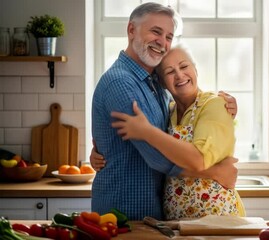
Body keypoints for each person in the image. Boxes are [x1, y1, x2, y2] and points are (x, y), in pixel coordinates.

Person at [91, 2, 238, 221]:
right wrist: (215, 172)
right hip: (124, 213)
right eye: (156, 32)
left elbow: (173, 128)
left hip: (154, 213)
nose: (162, 42)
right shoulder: (120, 83)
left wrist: (227, 105)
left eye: (169, 36)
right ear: (131, 30)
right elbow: (157, 154)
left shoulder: (157, 85)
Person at [110, 45, 245, 220]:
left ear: (195, 69)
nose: (180, 75)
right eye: (170, 72)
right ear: (161, 82)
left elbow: (199, 160)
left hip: (217, 218)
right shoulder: (169, 111)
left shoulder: (214, 105)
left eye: (184, 66)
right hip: (178, 221)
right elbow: (157, 155)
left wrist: (146, 131)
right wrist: (100, 151)